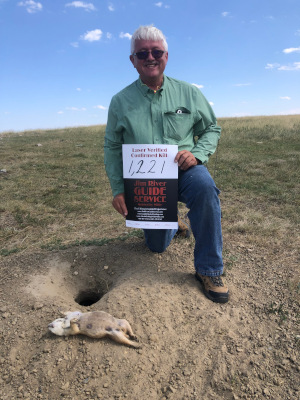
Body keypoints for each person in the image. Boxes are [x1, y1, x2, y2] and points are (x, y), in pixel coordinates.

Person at [104, 25, 229, 303]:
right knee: (157, 247)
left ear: (166, 56)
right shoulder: (120, 102)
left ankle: (210, 269)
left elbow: (211, 128)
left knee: (205, 187)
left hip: (184, 170)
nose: (150, 57)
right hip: (146, 184)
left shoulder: (189, 93)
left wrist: (196, 154)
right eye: (142, 53)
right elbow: (112, 146)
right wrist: (118, 189)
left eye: (156, 51)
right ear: (132, 60)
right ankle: (171, 224)